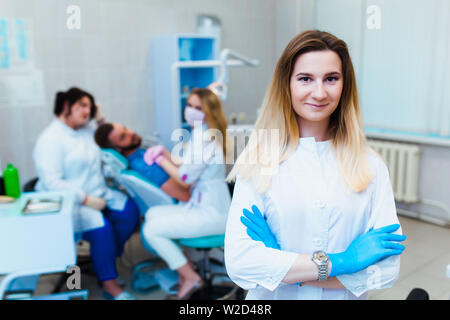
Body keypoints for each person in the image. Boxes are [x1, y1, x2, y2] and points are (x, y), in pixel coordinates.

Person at [224, 30, 407, 300]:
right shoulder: (258, 159)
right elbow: (240, 264)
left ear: (345, 85)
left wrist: (286, 268)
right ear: (287, 84)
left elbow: (385, 270)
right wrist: (344, 261)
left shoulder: (371, 165)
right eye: (305, 79)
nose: (319, 92)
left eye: (331, 79)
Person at [33, 87, 140, 300]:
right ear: (66, 106)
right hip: (73, 201)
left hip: (99, 193)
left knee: (129, 212)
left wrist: (101, 120)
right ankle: (109, 284)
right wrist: (85, 199)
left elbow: (107, 139)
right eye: (82, 105)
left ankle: (106, 260)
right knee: (102, 228)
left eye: (90, 107)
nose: (87, 111)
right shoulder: (50, 139)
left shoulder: (86, 131)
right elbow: (52, 181)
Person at [141, 87, 231, 299]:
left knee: (151, 230)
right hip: (205, 206)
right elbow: (187, 164)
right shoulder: (201, 133)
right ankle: (187, 268)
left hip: (212, 214)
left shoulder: (205, 138)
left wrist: (162, 162)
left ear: (209, 111)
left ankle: (190, 277)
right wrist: (164, 152)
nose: (190, 110)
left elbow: (184, 178)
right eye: (189, 105)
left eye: (197, 108)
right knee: (152, 215)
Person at [93, 122, 191, 202]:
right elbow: (185, 195)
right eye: (123, 137)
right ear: (117, 149)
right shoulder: (146, 165)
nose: (131, 133)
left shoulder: (142, 154)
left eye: (126, 128)